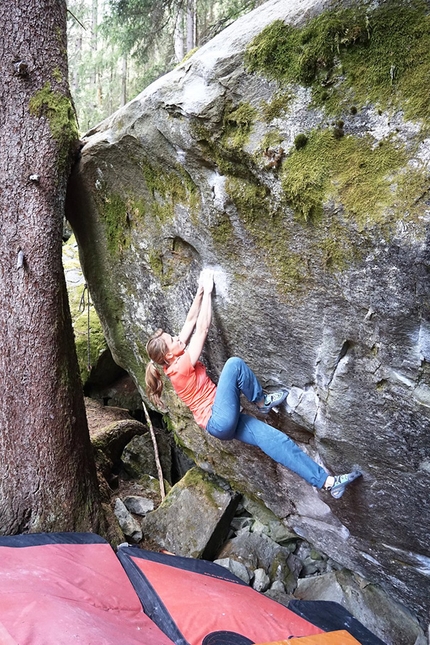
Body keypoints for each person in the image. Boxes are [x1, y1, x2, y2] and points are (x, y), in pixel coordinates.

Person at [145, 270, 361, 499]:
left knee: (277, 440)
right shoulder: (179, 368)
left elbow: (189, 323)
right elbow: (202, 329)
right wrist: (208, 292)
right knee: (233, 365)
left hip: (223, 423)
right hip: (218, 419)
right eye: (173, 340)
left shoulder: (174, 360)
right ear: (168, 356)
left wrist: (199, 291)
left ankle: (327, 482)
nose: (178, 339)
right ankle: (261, 401)